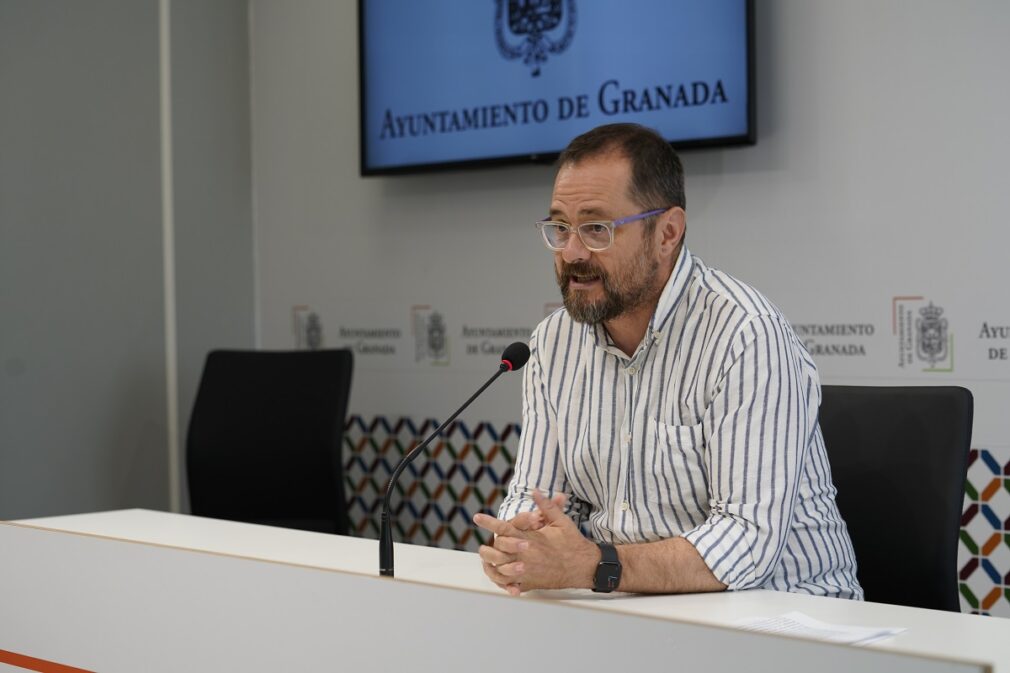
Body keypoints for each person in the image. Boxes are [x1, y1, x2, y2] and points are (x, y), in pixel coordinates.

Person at [473, 123, 862, 599]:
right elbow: (538, 495)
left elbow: (747, 542)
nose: (572, 253)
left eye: (597, 229)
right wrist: (522, 540)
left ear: (668, 233)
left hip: (786, 620)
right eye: (560, 228)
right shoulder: (553, 343)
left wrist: (598, 565)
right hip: (638, 611)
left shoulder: (744, 334)